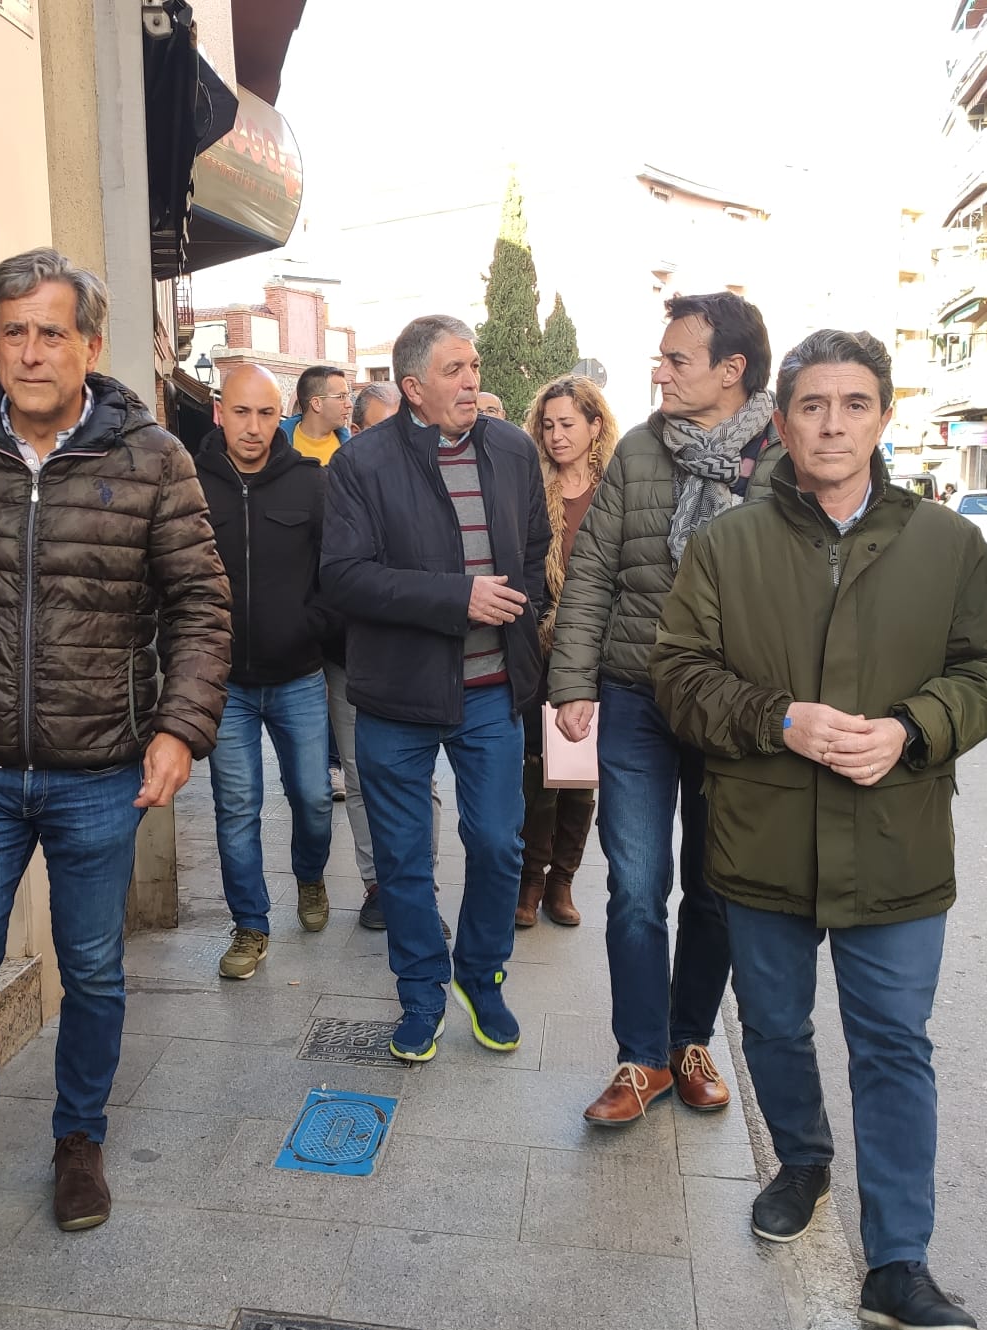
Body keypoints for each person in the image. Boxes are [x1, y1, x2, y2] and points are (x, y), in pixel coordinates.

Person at [651, 329, 987, 1330]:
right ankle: (803, 1158)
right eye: (810, 405)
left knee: (893, 1047)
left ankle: (897, 1261)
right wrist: (777, 719)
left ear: (883, 416)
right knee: (772, 1028)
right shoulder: (726, 546)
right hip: (762, 842)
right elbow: (677, 675)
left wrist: (911, 730)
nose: (829, 423)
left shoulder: (942, 544)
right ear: (779, 422)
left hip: (894, 843)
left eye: (852, 404)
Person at [0, 248, 231, 1253]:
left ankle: (79, 1142)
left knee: (93, 971)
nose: (29, 352)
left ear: (90, 345)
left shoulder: (152, 458)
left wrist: (178, 729)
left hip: (98, 770)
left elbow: (200, 604)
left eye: (49, 332)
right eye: (12, 331)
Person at [550, 291, 780, 1126]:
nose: (661, 372)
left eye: (677, 359)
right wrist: (572, 684)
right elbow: (592, 575)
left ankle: (691, 1042)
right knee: (638, 888)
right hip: (637, 696)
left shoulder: (780, 456)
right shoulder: (640, 450)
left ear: (732, 370)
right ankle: (640, 1057)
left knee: (716, 888)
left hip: (733, 711)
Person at [321, 314, 550, 1061]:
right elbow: (344, 578)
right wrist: (457, 599)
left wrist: (523, 620)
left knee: (496, 843)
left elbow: (538, 548)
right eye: (455, 370)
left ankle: (479, 977)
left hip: (490, 693)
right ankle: (420, 994)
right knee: (402, 858)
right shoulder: (362, 464)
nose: (472, 381)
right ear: (413, 387)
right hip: (397, 694)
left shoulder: (514, 450)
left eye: (475, 366)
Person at [196, 364, 334, 979]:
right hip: (223, 681)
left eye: (267, 414)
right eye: (242, 412)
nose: (253, 427)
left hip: (299, 675)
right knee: (237, 806)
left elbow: (338, 568)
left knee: (312, 797)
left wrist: (316, 625)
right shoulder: (190, 484)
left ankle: (309, 874)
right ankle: (250, 925)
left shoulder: (310, 484)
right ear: (220, 411)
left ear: (284, 417)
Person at [326, 377, 445, 932]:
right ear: (355, 432)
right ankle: (379, 884)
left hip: (421, 658)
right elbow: (331, 578)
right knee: (360, 774)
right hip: (353, 658)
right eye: (379, 430)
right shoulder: (338, 480)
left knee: (423, 784)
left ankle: (422, 888)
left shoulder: (433, 479)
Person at [515, 375, 619, 929]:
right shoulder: (532, 485)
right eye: (548, 425)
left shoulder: (615, 488)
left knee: (580, 773)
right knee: (540, 771)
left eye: (568, 424)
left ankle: (562, 882)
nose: (556, 435)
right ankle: (530, 880)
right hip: (540, 646)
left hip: (601, 647)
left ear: (595, 426)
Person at [281, 364, 352, 465]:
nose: (349, 404)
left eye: (347, 396)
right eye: (341, 396)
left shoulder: (350, 450)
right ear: (316, 403)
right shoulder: (276, 448)